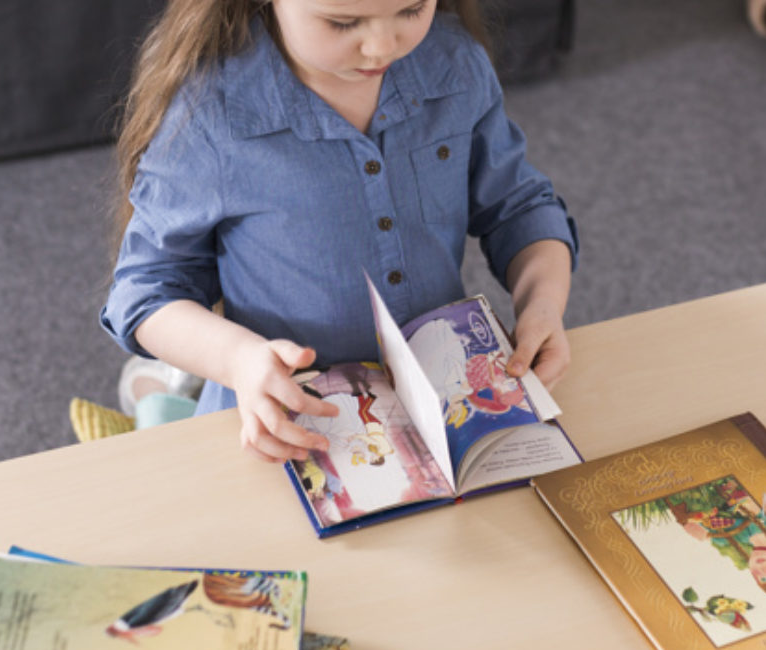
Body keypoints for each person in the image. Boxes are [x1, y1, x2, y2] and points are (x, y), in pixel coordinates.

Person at [100, 0, 579, 463]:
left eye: (411, 10)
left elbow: (520, 207)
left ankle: (162, 394)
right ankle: (162, 395)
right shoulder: (208, 112)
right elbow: (143, 294)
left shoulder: (455, 63)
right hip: (281, 421)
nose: (380, 47)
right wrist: (238, 359)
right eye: (343, 22)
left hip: (435, 402)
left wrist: (542, 304)